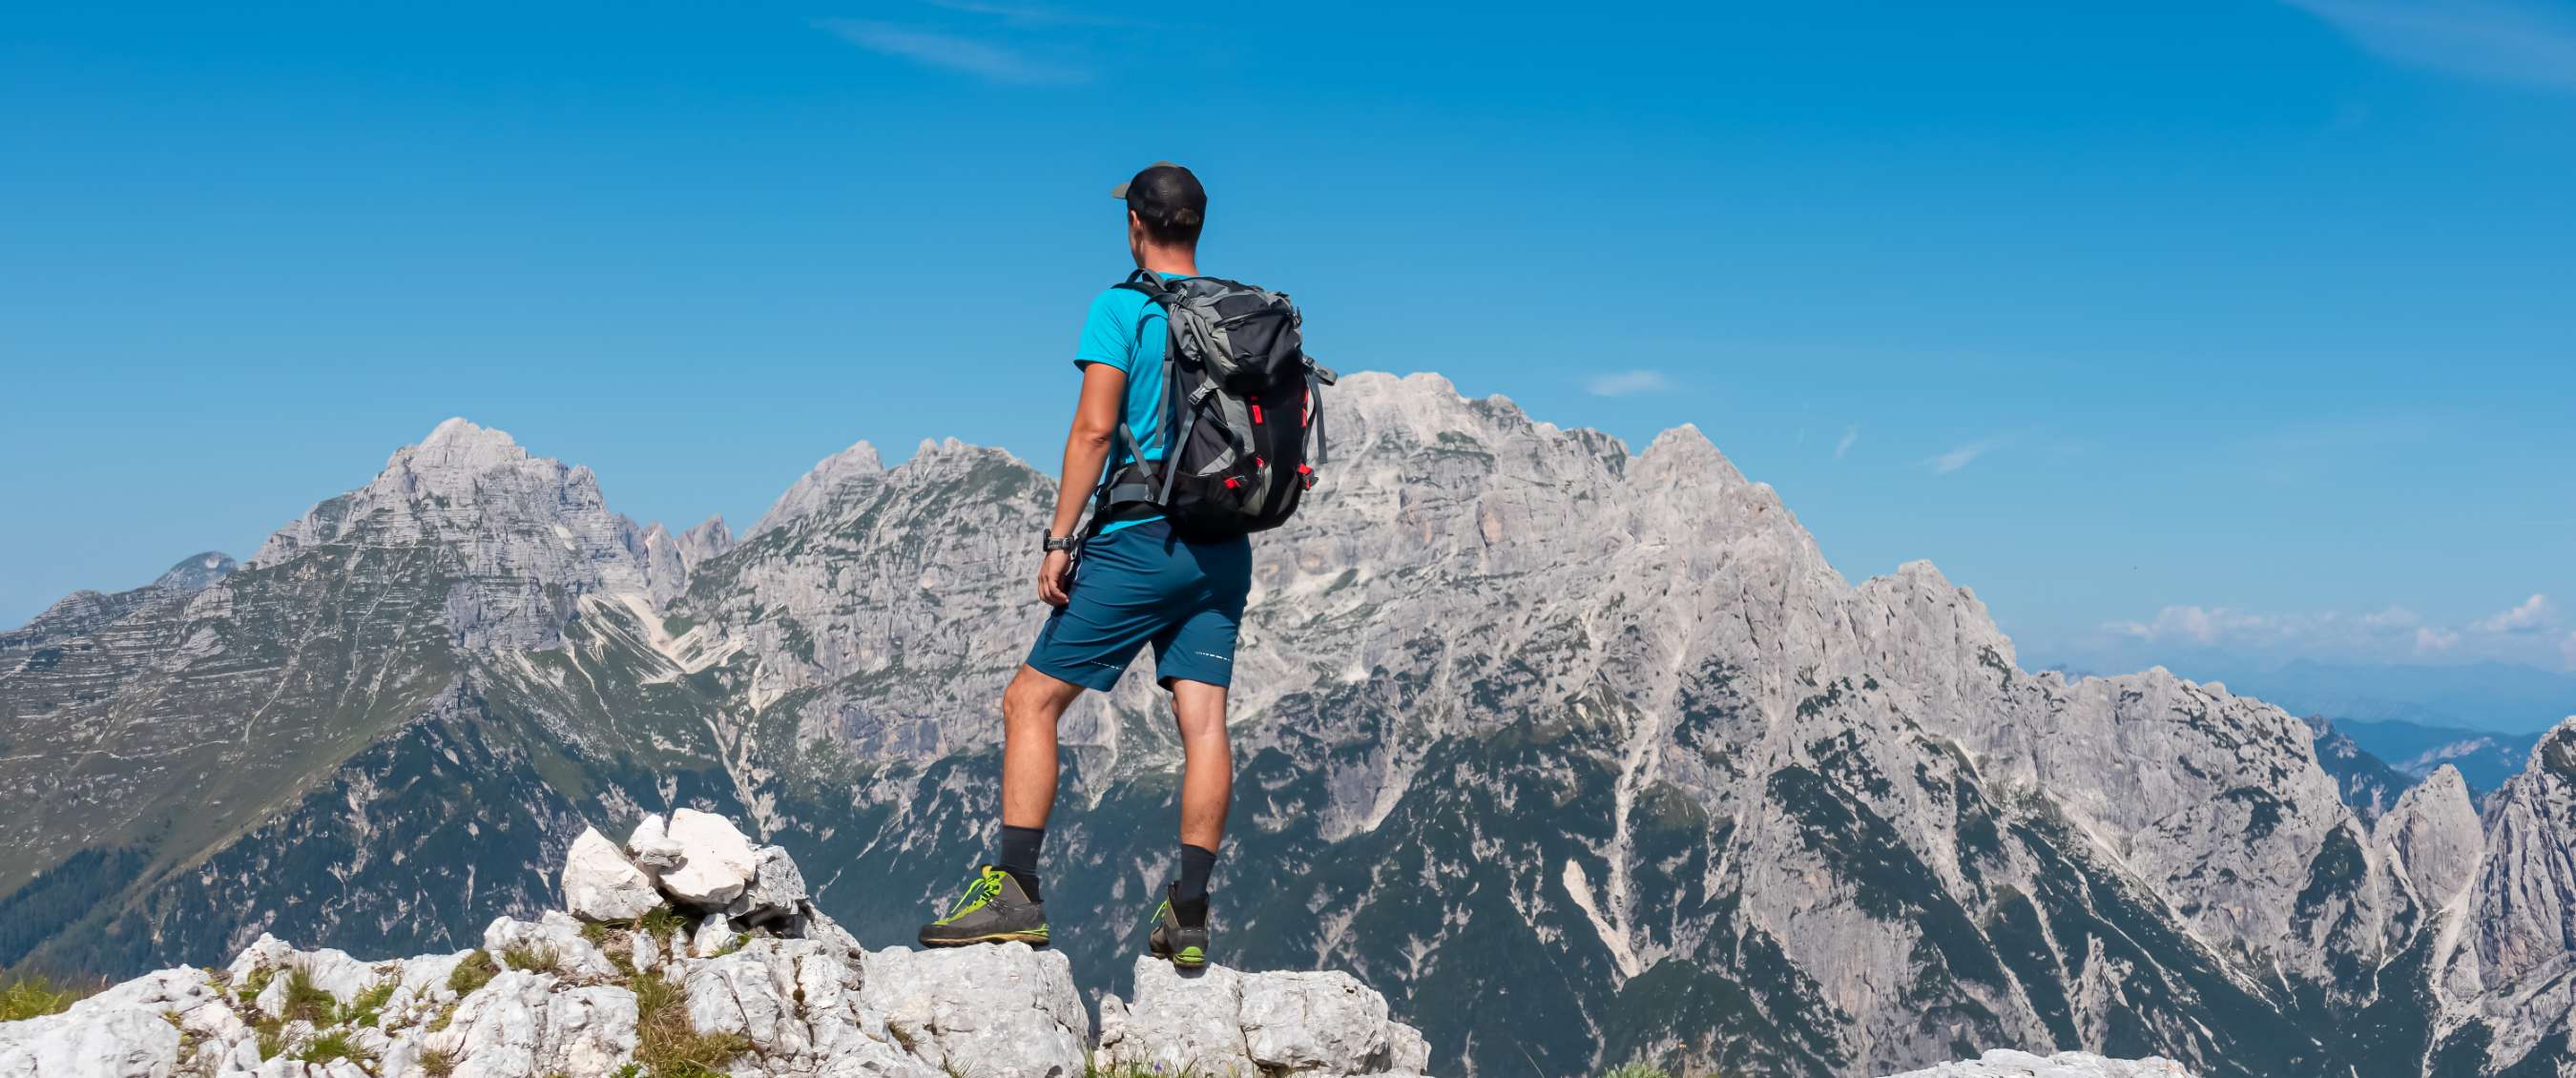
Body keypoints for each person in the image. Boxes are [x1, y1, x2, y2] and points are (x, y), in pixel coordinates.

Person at [916, 162, 1244, 968]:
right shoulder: (1237, 312)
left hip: (1141, 540)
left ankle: (1015, 893)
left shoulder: (1122, 308)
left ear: (1135, 225)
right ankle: (1189, 915)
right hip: (1224, 548)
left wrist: (1060, 539)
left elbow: (1095, 431)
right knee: (1204, 724)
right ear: (1198, 225)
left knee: (1029, 702)